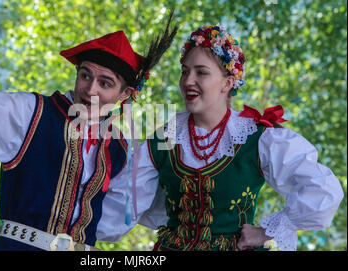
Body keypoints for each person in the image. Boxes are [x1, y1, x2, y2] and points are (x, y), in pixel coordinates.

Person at [0, 15, 177, 251]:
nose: (90, 89)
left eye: (104, 83)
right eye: (85, 75)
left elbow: (118, 218)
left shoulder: (118, 148)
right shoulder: (30, 113)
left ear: (125, 94)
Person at [106, 24, 344, 251]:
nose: (188, 80)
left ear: (228, 82)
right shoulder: (162, 140)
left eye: (202, 72)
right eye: (185, 72)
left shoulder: (257, 137)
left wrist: (267, 231)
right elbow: (120, 209)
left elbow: (324, 189)